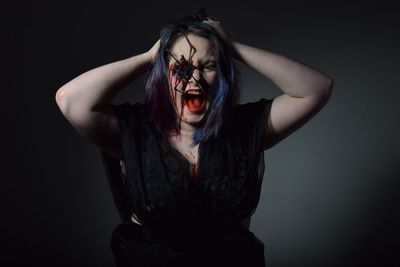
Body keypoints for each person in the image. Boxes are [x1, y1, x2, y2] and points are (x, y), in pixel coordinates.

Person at [55, 9, 333, 267]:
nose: (194, 77)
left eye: (208, 66)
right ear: (164, 78)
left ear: (222, 76)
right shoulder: (135, 132)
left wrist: (232, 48)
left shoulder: (245, 128)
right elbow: (71, 100)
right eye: (182, 67)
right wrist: (151, 57)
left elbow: (317, 89)